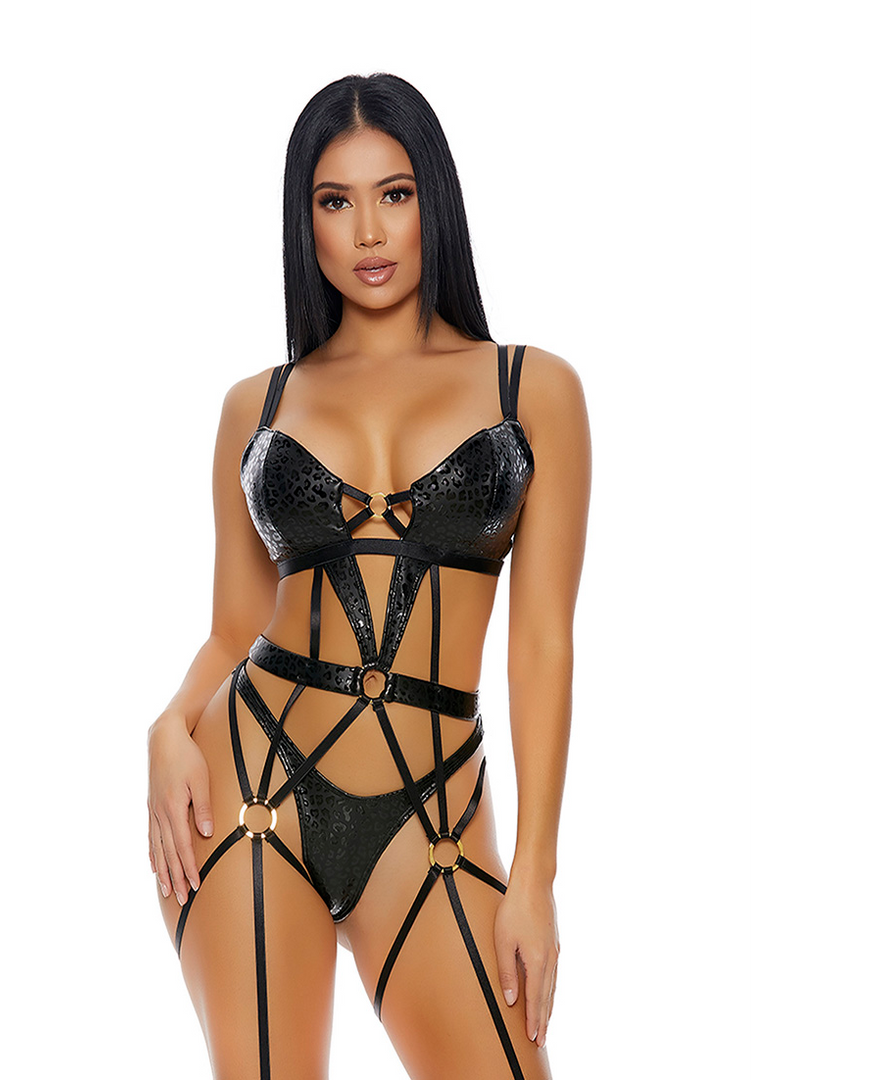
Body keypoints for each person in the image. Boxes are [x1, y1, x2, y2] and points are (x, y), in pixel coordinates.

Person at [147, 72, 591, 1080]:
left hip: (432, 813)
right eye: (334, 201)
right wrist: (169, 725)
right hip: (248, 785)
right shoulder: (257, 406)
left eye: (394, 193)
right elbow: (233, 629)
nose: (369, 231)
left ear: (436, 198)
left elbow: (542, 643)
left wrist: (534, 874)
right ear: (303, 222)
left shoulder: (533, 387)